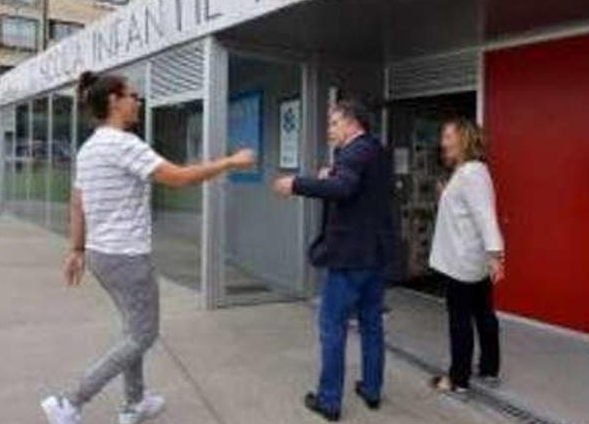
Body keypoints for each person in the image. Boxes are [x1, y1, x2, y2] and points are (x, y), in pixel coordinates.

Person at [41, 71, 255, 424]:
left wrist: (77, 250)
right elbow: (179, 177)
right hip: (126, 257)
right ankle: (71, 402)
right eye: (133, 96)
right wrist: (230, 162)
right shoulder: (124, 144)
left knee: (132, 330)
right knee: (143, 334)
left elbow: (77, 202)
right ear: (114, 101)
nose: (138, 101)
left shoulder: (90, 147)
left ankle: (135, 403)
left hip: (100, 255)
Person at [273, 100, 395, 422]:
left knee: (332, 327)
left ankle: (329, 401)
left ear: (352, 123)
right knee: (371, 324)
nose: (329, 131)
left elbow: (344, 188)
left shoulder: (354, 152)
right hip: (376, 255)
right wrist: (332, 173)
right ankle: (371, 389)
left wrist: (296, 184)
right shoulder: (378, 152)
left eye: (333, 124)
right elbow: (361, 189)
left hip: (350, 258)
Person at [428, 119, 505, 394]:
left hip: (463, 262)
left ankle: (458, 379)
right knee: (484, 314)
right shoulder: (469, 171)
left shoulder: (471, 173)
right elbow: (465, 212)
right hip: (473, 259)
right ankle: (489, 369)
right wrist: (444, 195)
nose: (443, 141)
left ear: (464, 139)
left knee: (460, 320)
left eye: (448, 136)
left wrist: (496, 255)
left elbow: (485, 217)